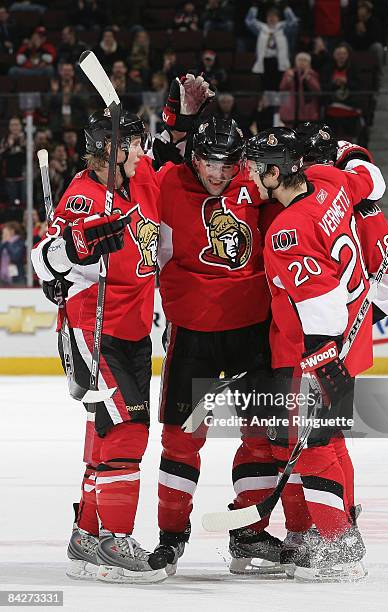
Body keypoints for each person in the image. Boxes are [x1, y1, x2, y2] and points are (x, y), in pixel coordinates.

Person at [31, 75, 214, 584]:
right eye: (134, 143)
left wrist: (184, 115)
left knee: (104, 429)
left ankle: (88, 535)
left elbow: (169, 151)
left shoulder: (142, 181)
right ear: (110, 149)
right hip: (95, 334)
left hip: (133, 334)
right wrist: (77, 250)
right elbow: (44, 259)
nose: (142, 150)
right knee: (128, 429)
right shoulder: (85, 197)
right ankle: (116, 538)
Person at [243, 126, 387, 581]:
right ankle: (343, 531)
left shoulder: (287, 231)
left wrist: (321, 364)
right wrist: (352, 151)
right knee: (334, 440)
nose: (248, 174)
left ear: (275, 172)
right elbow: (372, 177)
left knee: (313, 448)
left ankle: (336, 545)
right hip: (349, 339)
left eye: (255, 168)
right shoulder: (331, 180)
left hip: (314, 350)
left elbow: (318, 303)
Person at [152, 116, 287, 576]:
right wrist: (175, 121)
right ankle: (170, 536)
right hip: (194, 333)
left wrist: (358, 166)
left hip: (252, 331)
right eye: (209, 162)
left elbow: (314, 175)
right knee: (181, 440)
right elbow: (124, 171)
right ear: (193, 158)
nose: (217, 173)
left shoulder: (255, 180)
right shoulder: (168, 180)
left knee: (262, 437)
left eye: (227, 164)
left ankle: (249, 532)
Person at [245, 4, 298, 91]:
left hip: (279, 61)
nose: (272, 18)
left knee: (278, 86)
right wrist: (254, 7)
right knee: (266, 86)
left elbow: (293, 21)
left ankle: (278, 104)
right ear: (266, 18)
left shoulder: (284, 28)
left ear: (278, 18)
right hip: (265, 61)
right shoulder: (261, 28)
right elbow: (249, 21)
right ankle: (268, 103)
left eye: (274, 16)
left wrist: (286, 8)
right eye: (269, 16)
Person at [279, 52, 321, 127]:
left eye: (305, 60)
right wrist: (288, 80)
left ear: (309, 63)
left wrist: (308, 78)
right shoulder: (289, 73)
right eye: (300, 60)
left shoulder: (312, 74)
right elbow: (282, 88)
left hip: (307, 110)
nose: (302, 62)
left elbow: (317, 90)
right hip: (290, 109)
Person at [0, 221, 26, 285]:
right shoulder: (4, 243)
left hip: (17, 278)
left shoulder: (19, 243)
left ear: (12, 232)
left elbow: (15, 257)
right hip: (3, 277)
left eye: (5, 233)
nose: (3, 235)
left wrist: (7, 243)